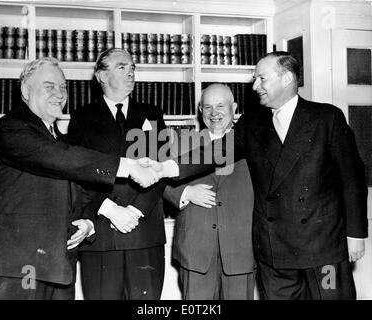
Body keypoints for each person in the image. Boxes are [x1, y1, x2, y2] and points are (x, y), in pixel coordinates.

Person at [151, 51, 368, 300]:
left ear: (286, 78)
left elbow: (352, 179)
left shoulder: (327, 118)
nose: (255, 87)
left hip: (324, 248)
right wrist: (167, 168)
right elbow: (216, 151)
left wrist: (356, 234)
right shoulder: (253, 123)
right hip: (274, 252)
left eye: (261, 79)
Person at [0, 57, 160, 300]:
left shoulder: (56, 137)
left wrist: (88, 222)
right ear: (26, 90)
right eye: (49, 86)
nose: (59, 94)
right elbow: (63, 160)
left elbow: (77, 187)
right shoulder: (11, 129)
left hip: (58, 265)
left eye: (63, 87)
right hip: (21, 266)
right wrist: (126, 165)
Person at [67, 48, 169, 300]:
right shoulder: (82, 117)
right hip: (101, 233)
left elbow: (164, 167)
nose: (131, 72)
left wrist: (134, 212)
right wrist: (109, 209)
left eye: (133, 67)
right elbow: (77, 172)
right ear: (101, 75)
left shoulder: (152, 114)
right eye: (123, 67)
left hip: (144, 230)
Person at [163, 84, 255, 300]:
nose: (214, 113)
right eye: (208, 107)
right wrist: (186, 193)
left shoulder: (253, 145)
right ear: (200, 111)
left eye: (221, 106)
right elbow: (160, 183)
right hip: (196, 251)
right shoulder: (182, 144)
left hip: (240, 250)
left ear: (234, 107)